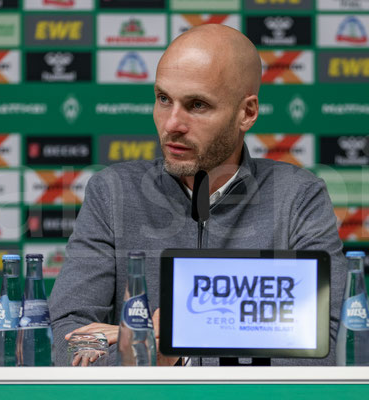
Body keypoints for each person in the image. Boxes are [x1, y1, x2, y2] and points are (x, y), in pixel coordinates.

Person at [49, 24, 347, 366]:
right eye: (163, 99)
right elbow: (65, 341)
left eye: (197, 105)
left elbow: (326, 349)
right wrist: (157, 352)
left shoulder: (299, 196)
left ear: (247, 113)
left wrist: (173, 336)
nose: (171, 124)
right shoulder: (112, 192)